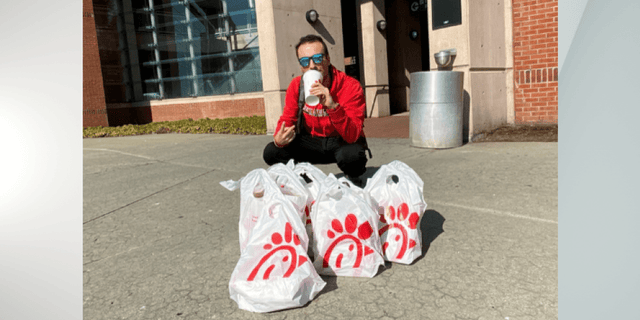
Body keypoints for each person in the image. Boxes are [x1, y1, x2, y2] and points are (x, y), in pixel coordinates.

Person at [263, 34, 370, 186]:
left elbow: (353, 134)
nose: (312, 66)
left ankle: (353, 179)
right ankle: (305, 181)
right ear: (301, 66)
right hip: (311, 141)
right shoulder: (296, 86)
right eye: (305, 61)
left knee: (353, 155)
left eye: (318, 58)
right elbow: (288, 119)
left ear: (327, 58)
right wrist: (279, 139)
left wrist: (332, 106)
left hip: (340, 140)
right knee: (272, 151)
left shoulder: (350, 86)